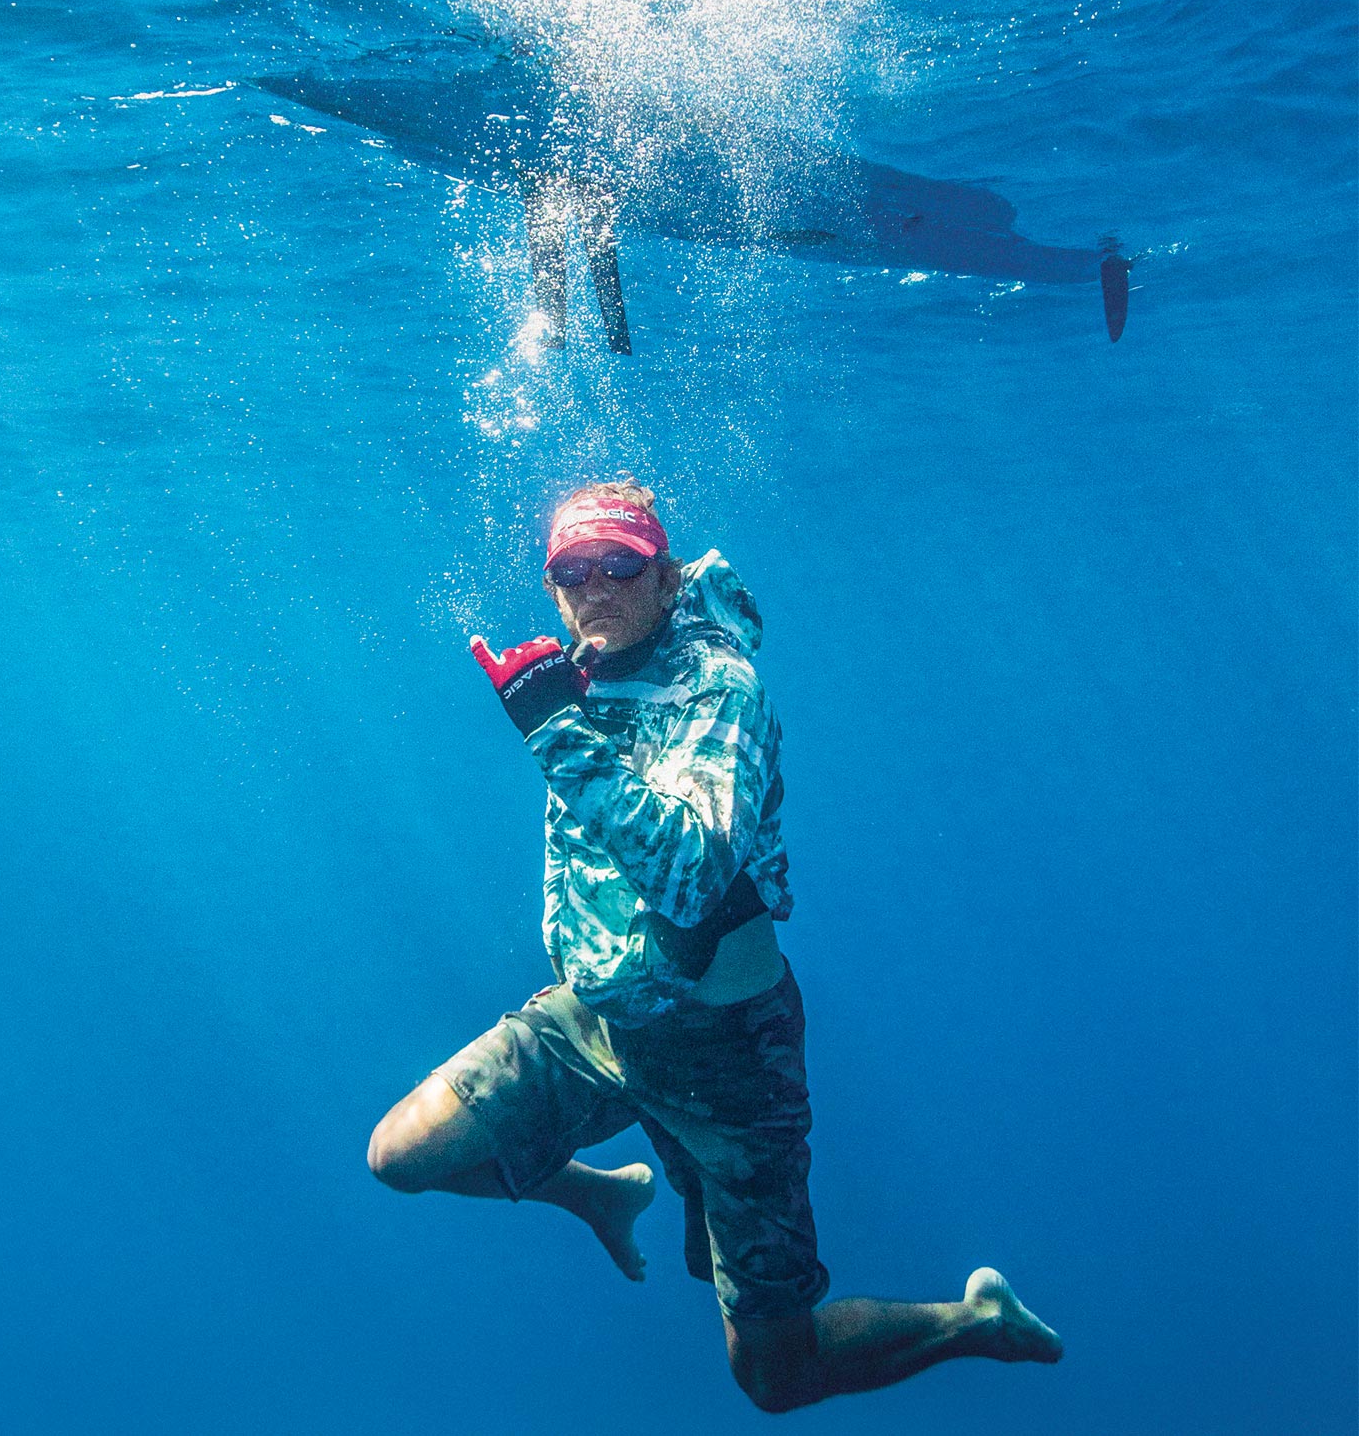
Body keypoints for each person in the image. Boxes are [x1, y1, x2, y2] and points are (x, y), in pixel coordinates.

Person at [367, 479, 1063, 1412]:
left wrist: (556, 733)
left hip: (730, 1052)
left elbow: (692, 877)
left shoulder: (717, 684)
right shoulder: (585, 669)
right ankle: (595, 1194)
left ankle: (978, 1321)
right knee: (400, 1153)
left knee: (773, 1374)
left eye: (619, 565)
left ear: (663, 574)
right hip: (603, 1020)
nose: (596, 588)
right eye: (572, 571)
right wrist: (564, 719)